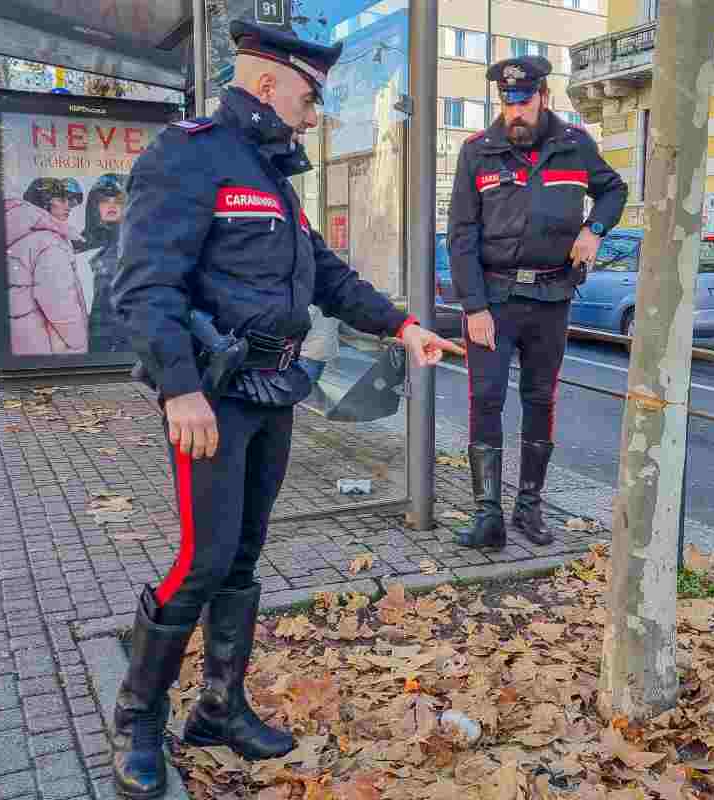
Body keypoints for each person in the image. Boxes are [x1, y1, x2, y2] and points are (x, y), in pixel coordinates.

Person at [108, 19, 464, 798]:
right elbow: (143, 286)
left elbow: (326, 275)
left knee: (241, 557)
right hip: (212, 398)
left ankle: (219, 707)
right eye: (311, 93)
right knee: (201, 560)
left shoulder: (270, 172)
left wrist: (402, 326)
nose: (318, 109)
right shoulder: (190, 154)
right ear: (266, 83)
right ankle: (138, 714)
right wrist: (180, 388)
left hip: (273, 391)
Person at [448, 55, 627, 550]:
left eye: (524, 102)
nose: (515, 113)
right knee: (484, 399)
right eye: (507, 103)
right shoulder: (477, 151)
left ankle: (529, 507)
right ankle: (488, 515)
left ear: (543, 96)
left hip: (551, 297)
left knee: (540, 399)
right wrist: (473, 306)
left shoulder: (574, 145)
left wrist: (594, 229)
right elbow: (460, 235)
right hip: (495, 299)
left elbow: (613, 191)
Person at [5, 177, 89, 355]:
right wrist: (78, 341)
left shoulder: (22, 232)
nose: (68, 206)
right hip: (48, 343)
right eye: (60, 199)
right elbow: (59, 300)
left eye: (69, 201)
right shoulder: (49, 242)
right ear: (43, 202)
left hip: (27, 336)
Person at [80, 174, 131, 352]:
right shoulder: (91, 249)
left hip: (124, 343)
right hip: (99, 341)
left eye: (117, 200)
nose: (111, 205)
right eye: (104, 200)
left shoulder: (136, 245)